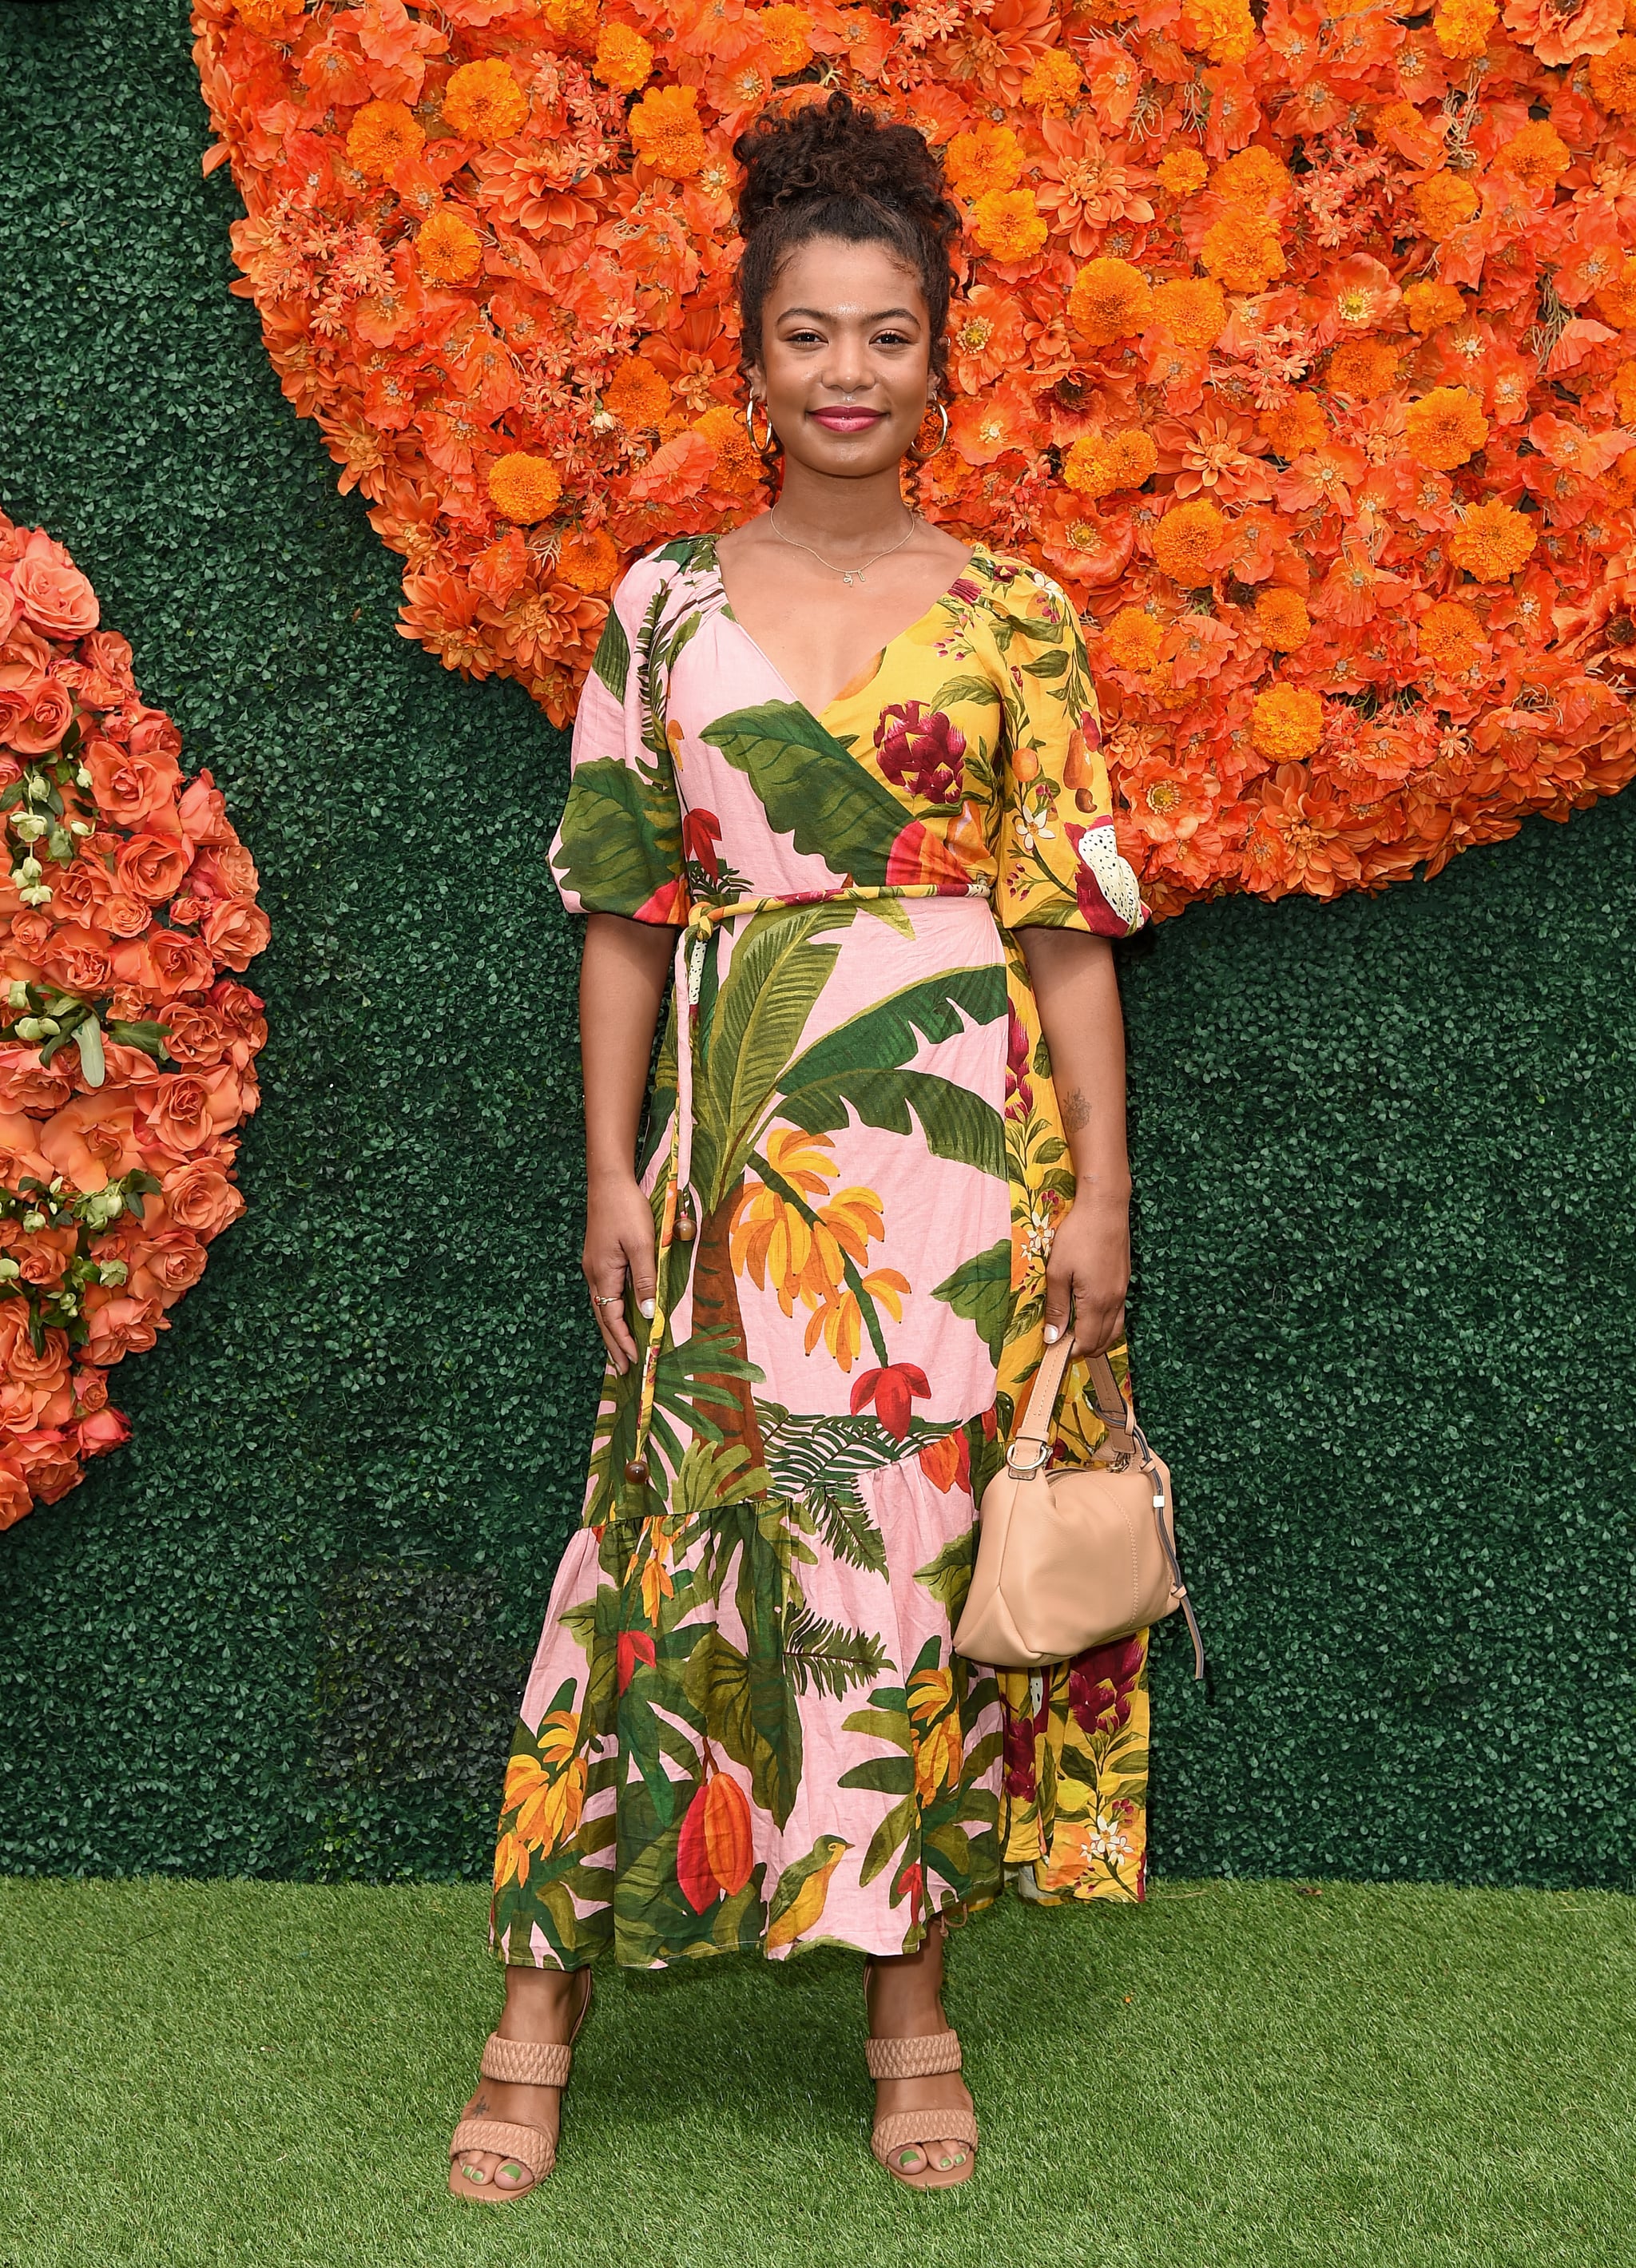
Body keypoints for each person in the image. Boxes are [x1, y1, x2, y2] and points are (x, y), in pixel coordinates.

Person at [448, 89, 1151, 2204]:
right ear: (748, 360)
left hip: (957, 1167)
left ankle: (909, 2018)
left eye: (889, 335)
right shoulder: (660, 611)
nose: (850, 374)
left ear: (946, 359)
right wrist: (609, 1166)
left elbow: (1066, 930)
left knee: (911, 1567)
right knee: (661, 1550)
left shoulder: (1019, 615)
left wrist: (1103, 1186)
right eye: (809, 336)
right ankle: (535, 2012)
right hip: (732, 1157)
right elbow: (621, 911)